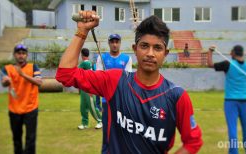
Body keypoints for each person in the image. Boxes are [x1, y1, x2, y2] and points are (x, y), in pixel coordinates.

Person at [56, 11, 203, 153]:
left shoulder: (177, 96)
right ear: (135, 49)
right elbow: (65, 74)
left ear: (165, 53)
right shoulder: (114, 80)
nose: (150, 53)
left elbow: (193, 141)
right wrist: (82, 31)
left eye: (157, 48)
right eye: (144, 46)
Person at [207, 45, 246, 154]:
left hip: (231, 101)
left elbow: (209, 64)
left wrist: (210, 51)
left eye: (231, 52)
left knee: (233, 130)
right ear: (242, 53)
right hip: (245, 101)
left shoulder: (228, 64)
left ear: (233, 53)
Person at [0, 44, 42, 154]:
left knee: (30, 139)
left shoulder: (33, 67)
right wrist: (6, 81)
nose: (21, 56)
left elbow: (39, 82)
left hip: (31, 109)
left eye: (23, 53)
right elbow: (4, 82)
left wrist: (22, 74)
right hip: (14, 110)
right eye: (19, 53)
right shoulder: (7, 68)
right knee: (16, 140)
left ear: (26, 55)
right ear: (14, 55)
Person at [96, 33, 132, 153]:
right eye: (112, 42)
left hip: (122, 101)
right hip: (107, 101)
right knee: (107, 131)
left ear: (120, 43)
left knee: (122, 130)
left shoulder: (127, 59)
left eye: (117, 42)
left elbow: (127, 80)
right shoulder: (102, 58)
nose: (115, 44)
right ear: (109, 43)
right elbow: (98, 79)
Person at [78, 48, 103, 130]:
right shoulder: (89, 63)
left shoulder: (85, 63)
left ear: (82, 55)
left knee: (92, 107)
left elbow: (89, 76)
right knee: (83, 107)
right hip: (84, 89)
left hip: (88, 89)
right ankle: (84, 123)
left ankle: (100, 121)